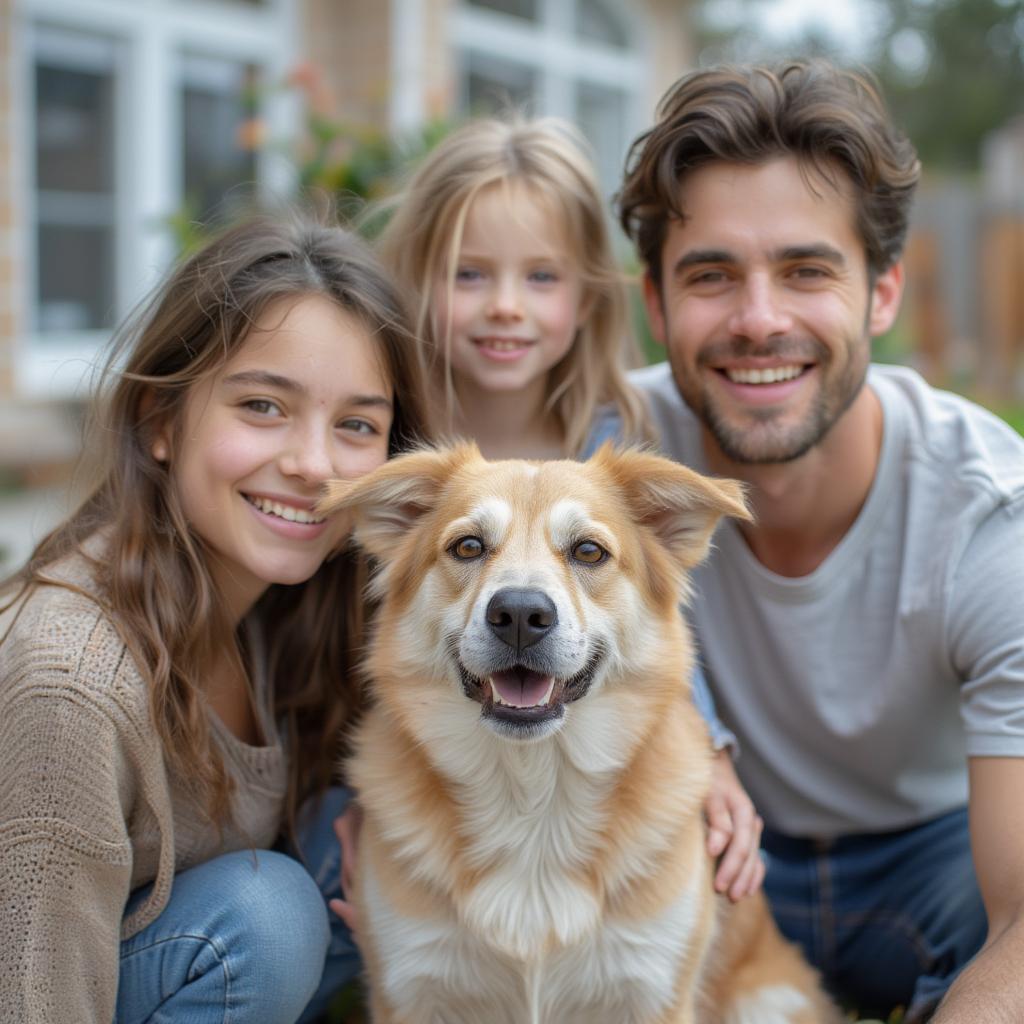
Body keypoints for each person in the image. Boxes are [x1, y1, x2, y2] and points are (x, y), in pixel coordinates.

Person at [616, 59, 1024, 1023]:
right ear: (657, 304)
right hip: (696, 851)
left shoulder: (989, 519)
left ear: (882, 294)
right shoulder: (607, 464)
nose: (760, 321)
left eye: (806, 271)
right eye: (713, 276)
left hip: (932, 866)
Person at [0, 215, 431, 1023]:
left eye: (356, 426)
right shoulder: (74, 685)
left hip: (156, 958)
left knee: (378, 825)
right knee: (266, 920)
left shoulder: (293, 603)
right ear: (162, 421)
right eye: (264, 406)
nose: (312, 465)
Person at [374, 114, 765, 901]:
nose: (506, 307)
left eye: (541, 278)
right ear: (417, 283)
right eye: (470, 274)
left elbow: (657, 623)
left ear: (588, 299)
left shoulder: (615, 438)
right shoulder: (389, 438)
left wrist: (710, 747)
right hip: (411, 760)